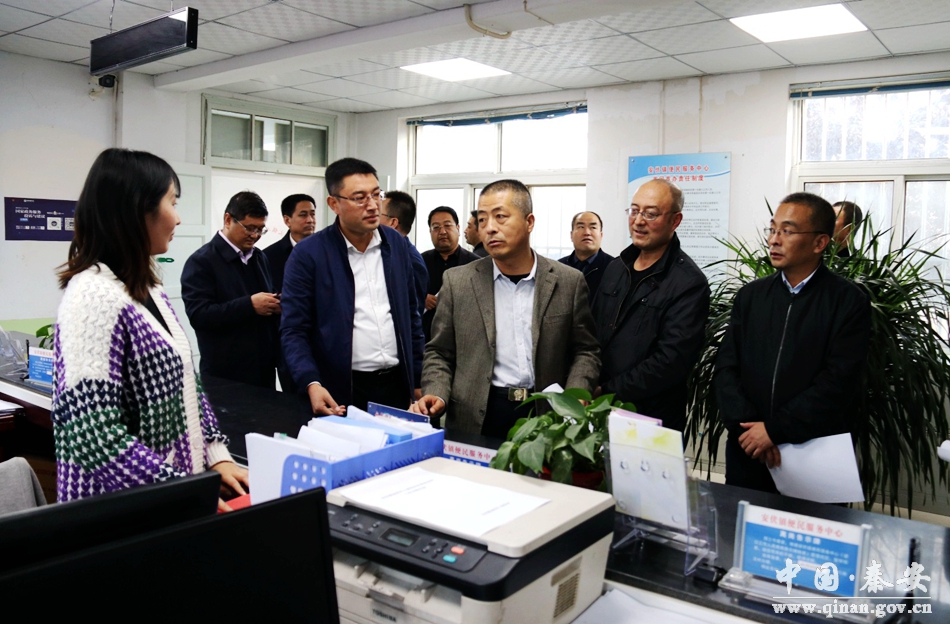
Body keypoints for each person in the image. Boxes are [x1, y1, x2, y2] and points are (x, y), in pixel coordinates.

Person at [52, 148, 248, 511]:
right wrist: (183, 492)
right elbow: (92, 435)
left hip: (165, 500)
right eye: (172, 201)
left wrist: (215, 455)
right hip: (118, 515)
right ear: (137, 209)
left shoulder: (147, 287)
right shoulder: (93, 297)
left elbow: (187, 385)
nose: (178, 217)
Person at [412, 180, 600, 439]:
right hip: (476, 415)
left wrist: (576, 393)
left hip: (546, 413)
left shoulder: (568, 281)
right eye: (482, 220)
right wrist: (437, 391)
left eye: (500, 217)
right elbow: (440, 351)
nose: (490, 228)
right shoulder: (458, 282)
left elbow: (586, 350)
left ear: (529, 222)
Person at [714, 192, 871, 493]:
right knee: (740, 520)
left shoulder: (849, 301)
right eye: (772, 229)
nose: (774, 240)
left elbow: (838, 382)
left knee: (809, 524)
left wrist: (774, 431)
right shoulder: (751, 296)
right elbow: (726, 368)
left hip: (812, 455)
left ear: (820, 243)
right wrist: (751, 430)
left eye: (787, 231)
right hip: (748, 450)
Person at [281, 158, 424, 414]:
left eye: (376, 195)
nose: (372, 205)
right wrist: (311, 382)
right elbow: (294, 329)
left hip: (396, 384)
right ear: (334, 204)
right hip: (340, 389)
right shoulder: (308, 254)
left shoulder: (396, 244)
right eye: (359, 198)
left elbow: (411, 315)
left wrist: (418, 376)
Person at [591, 180, 709, 432]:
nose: (638, 221)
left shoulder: (688, 282)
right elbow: (592, 332)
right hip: (598, 410)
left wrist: (606, 391)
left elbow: (671, 361)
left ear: (675, 221)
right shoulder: (616, 268)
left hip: (650, 419)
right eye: (634, 210)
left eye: (650, 214)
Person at [181, 191, 280, 389]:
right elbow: (199, 316)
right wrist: (250, 305)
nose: (255, 235)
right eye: (249, 228)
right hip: (225, 374)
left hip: (263, 369)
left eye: (260, 229)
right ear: (228, 220)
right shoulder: (201, 261)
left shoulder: (259, 257)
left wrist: (276, 304)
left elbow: (265, 296)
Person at [421, 206, 479, 341]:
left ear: (458, 228)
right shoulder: (419, 262)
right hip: (427, 338)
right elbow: (405, 294)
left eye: (447, 225)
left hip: (465, 337)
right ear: (430, 231)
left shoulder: (475, 264)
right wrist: (421, 299)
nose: (442, 232)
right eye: (436, 227)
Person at [381, 190, 428, 322]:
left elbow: (411, 316)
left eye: (378, 214)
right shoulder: (385, 252)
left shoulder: (412, 262)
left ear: (393, 223)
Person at [264, 193, 316, 294]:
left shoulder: (328, 250)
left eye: (312, 214)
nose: (310, 220)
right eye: (303, 215)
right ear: (287, 220)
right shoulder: (268, 256)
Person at [559, 211, 614, 300]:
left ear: (601, 235)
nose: (587, 232)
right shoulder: (559, 267)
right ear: (571, 235)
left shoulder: (615, 268)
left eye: (593, 227)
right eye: (581, 227)